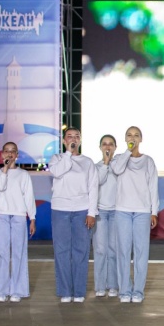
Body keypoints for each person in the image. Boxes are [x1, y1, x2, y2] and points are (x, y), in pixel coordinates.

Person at [112, 126, 159, 303]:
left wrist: (154, 212)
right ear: (125, 139)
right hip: (122, 210)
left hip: (142, 211)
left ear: (141, 139)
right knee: (123, 251)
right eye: (129, 135)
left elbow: (153, 187)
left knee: (141, 252)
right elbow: (116, 170)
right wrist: (127, 152)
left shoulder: (148, 161)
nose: (133, 138)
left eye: (136, 135)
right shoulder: (119, 158)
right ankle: (124, 290)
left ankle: (138, 290)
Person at [50, 128, 97, 303]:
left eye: (77, 136)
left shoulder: (88, 162)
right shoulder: (57, 159)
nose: (73, 139)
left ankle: (78, 292)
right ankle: (64, 291)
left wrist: (91, 212)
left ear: (80, 140)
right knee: (61, 251)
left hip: (81, 209)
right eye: (69, 136)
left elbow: (93, 188)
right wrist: (68, 154)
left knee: (81, 251)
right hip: (60, 209)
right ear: (64, 141)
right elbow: (57, 172)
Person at [0, 142, 36, 303]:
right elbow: (0, 186)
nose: (10, 154)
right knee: (2, 253)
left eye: (13, 151)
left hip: (19, 216)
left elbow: (29, 197)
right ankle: (1, 290)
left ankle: (17, 290)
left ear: (17, 155)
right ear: (2, 154)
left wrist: (32, 218)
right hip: (3, 215)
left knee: (19, 253)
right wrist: (5, 169)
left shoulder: (23, 174)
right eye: (7, 151)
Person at [93, 134, 120, 298]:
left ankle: (113, 285)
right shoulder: (96, 167)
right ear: (100, 147)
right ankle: (100, 285)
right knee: (100, 249)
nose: (108, 147)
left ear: (115, 147)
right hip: (100, 212)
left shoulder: (120, 167)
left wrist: (111, 163)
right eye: (104, 144)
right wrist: (105, 163)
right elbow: (98, 181)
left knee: (114, 249)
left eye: (111, 144)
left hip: (117, 212)